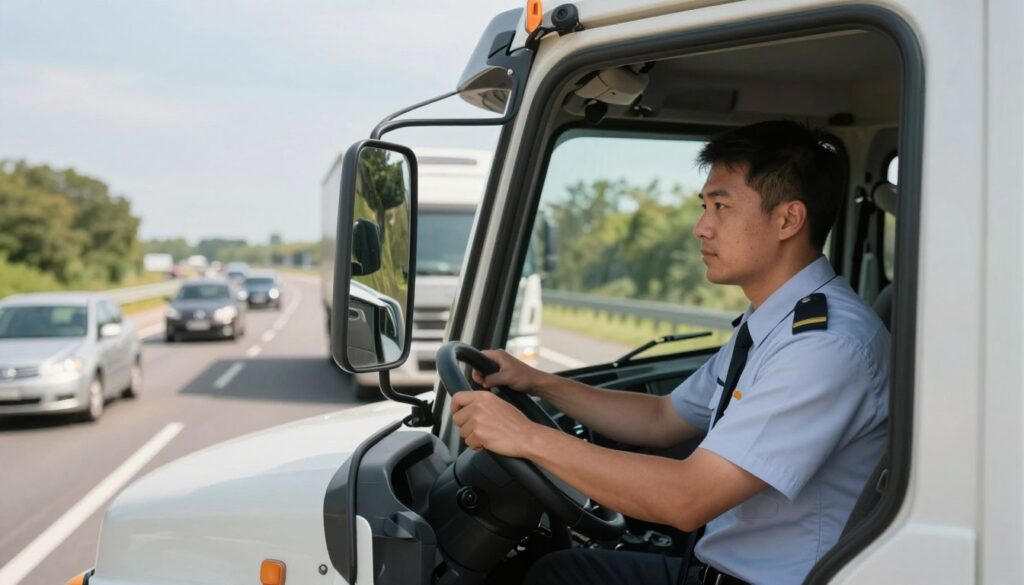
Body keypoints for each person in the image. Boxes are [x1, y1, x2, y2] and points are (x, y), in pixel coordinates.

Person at [450, 120, 890, 585]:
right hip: (711, 569)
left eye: (721, 206)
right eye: (705, 206)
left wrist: (526, 437)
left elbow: (688, 498)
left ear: (787, 220)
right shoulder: (775, 325)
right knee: (556, 572)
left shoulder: (822, 346)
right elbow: (662, 418)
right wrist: (538, 382)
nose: (701, 228)